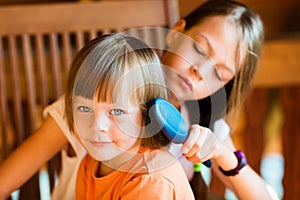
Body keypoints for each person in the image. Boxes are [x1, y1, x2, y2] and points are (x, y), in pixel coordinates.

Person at [0, 0, 278, 199]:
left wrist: (222, 154)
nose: (199, 72)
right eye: (199, 49)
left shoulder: (202, 122)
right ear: (176, 32)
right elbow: (6, 181)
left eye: (219, 73)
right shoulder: (96, 98)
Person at [63, 33, 194, 199]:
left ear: (148, 115)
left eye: (117, 111)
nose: (97, 126)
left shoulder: (150, 181)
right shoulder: (90, 163)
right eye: (84, 108)